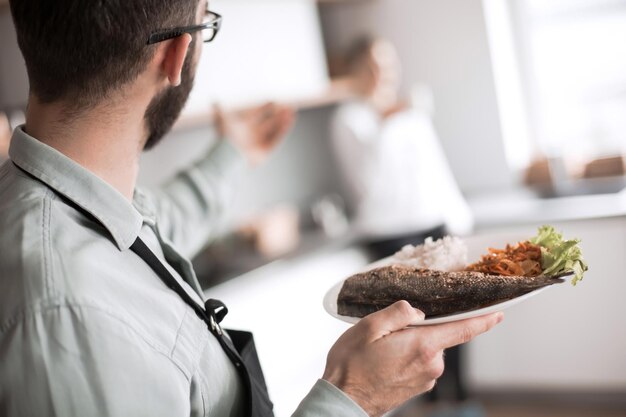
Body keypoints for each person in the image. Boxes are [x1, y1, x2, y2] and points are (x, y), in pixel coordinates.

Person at [0, 2, 503, 417]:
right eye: (206, 25)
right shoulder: (69, 315)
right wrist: (351, 399)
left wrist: (231, 154)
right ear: (177, 54)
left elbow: (165, 219)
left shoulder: (68, 203)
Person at [330, 38, 476, 407]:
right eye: (372, 66)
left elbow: (434, 168)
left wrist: (457, 214)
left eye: (388, 64)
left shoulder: (412, 112)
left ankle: (458, 401)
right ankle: (429, 405)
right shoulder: (348, 120)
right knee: (417, 327)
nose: (383, 74)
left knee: (459, 315)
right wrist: (388, 121)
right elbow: (368, 184)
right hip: (390, 237)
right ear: (356, 73)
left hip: (434, 225)